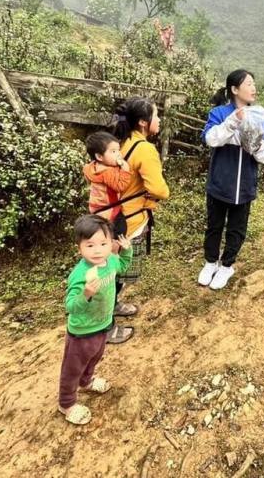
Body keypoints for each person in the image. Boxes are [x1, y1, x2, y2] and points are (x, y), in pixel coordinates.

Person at [197, 69, 264, 290]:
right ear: (234, 89)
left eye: (253, 83)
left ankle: (227, 265)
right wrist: (232, 122)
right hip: (220, 183)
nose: (254, 88)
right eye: (249, 84)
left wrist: (256, 144)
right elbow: (210, 139)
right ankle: (210, 262)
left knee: (237, 229)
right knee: (214, 226)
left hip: (245, 185)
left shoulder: (259, 116)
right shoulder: (219, 113)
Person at [58, 215, 133, 425]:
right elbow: (70, 306)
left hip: (103, 325)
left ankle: (86, 381)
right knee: (72, 368)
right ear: (79, 248)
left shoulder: (111, 261)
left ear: (111, 243)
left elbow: (123, 266)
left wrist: (127, 251)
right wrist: (86, 295)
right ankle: (66, 403)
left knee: (95, 357)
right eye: (90, 245)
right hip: (82, 332)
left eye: (103, 243)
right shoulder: (80, 275)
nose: (97, 250)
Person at [108, 97, 170, 344]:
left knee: (113, 269)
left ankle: (113, 305)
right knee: (115, 273)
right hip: (130, 221)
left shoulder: (120, 142)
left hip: (114, 216)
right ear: (143, 122)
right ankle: (106, 326)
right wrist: (161, 193)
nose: (159, 120)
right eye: (156, 115)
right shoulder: (144, 149)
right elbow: (159, 189)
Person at [83, 131, 132, 237]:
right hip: (110, 210)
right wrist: (125, 170)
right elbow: (121, 186)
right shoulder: (108, 172)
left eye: (118, 150)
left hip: (95, 208)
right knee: (120, 231)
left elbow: (87, 176)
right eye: (113, 151)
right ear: (99, 157)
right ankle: (116, 245)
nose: (119, 154)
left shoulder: (91, 167)